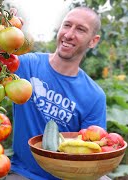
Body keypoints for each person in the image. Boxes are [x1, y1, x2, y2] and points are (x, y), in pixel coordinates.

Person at [7, 7, 107, 180]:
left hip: (69, 176)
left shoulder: (95, 96)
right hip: (23, 173)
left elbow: (92, 150)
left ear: (93, 41)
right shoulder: (26, 66)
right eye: (67, 25)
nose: (69, 34)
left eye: (80, 29)